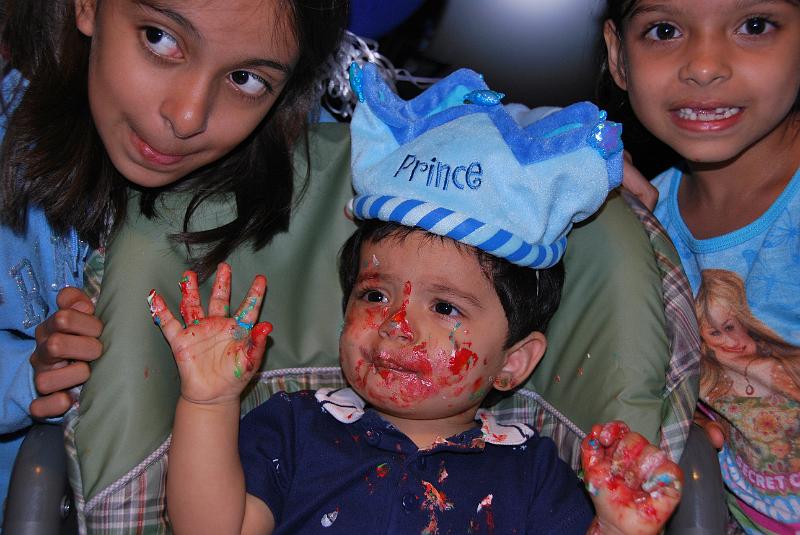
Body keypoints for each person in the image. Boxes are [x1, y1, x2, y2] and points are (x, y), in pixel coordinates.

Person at [149, 63, 683, 534]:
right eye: (375, 294)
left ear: (514, 362)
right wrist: (210, 401)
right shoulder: (293, 429)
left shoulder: (533, 474)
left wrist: (619, 530)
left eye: (445, 306)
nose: (396, 325)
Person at [0, 0, 347, 521]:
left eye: (246, 79)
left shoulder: (313, 188)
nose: (187, 117)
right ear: (87, 6)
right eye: (160, 40)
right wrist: (24, 376)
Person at [600, 0, 800, 532]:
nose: (705, 65)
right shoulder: (636, 226)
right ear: (619, 57)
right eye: (664, 31)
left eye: (755, 26)